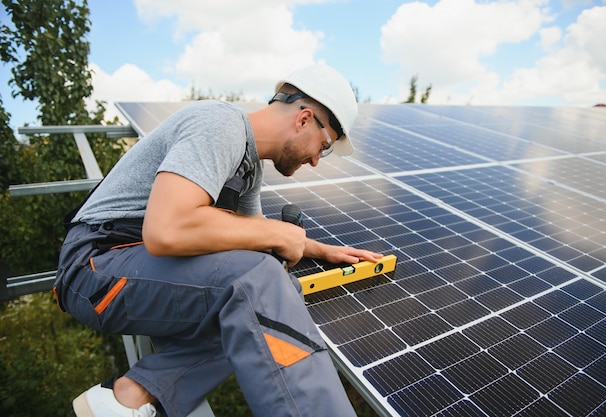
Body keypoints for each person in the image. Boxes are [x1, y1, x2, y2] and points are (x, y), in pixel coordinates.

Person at [55, 63, 382, 417]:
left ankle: (128, 396)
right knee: (259, 282)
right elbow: (166, 228)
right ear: (304, 119)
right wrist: (276, 232)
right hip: (94, 265)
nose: (317, 160)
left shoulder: (248, 167)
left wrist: (319, 249)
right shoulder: (219, 122)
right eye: (326, 146)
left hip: (129, 265)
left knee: (278, 290)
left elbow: (252, 237)